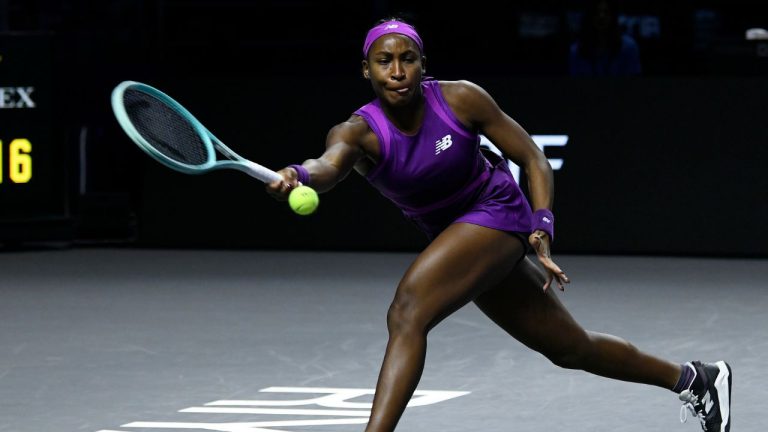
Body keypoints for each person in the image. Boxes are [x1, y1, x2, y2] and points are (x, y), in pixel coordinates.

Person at [266, 17, 731, 432]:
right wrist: (299, 174)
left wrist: (542, 224)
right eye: (384, 61)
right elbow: (327, 167)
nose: (397, 71)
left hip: (496, 211)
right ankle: (695, 379)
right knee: (570, 348)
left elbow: (532, 158)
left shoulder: (460, 98)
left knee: (408, 312)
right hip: (457, 238)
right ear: (366, 70)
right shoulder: (356, 132)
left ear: (423, 64)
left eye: (408, 59)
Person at [569, 0, 642, 76]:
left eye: (606, 12)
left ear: (613, 17)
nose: (601, 16)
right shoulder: (576, 51)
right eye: (596, 12)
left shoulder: (629, 47)